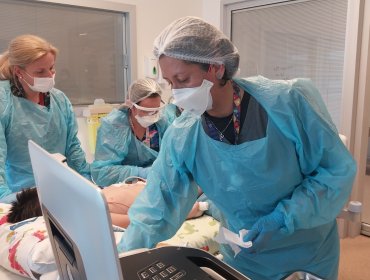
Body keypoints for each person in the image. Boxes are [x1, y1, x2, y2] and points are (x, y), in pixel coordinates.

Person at [118, 16, 357, 280]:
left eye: (183, 79)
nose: (176, 93)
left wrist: (282, 218)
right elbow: (157, 206)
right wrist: (118, 261)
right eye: (170, 83)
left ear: (217, 68)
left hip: (307, 254)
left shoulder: (286, 104)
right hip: (244, 258)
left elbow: (334, 173)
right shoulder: (183, 134)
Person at [0, 34, 90, 203]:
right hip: (19, 197)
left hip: (59, 190)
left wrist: (87, 182)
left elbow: (73, 148)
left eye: (52, 68)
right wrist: (9, 203)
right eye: (40, 71)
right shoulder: (4, 101)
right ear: (18, 71)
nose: (49, 75)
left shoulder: (59, 99)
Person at [91, 78, 171, 187]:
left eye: (156, 110)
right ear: (132, 106)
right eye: (146, 111)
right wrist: (143, 174)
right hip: (122, 187)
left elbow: (172, 157)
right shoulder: (114, 126)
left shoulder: (161, 123)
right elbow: (103, 173)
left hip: (157, 184)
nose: (152, 114)